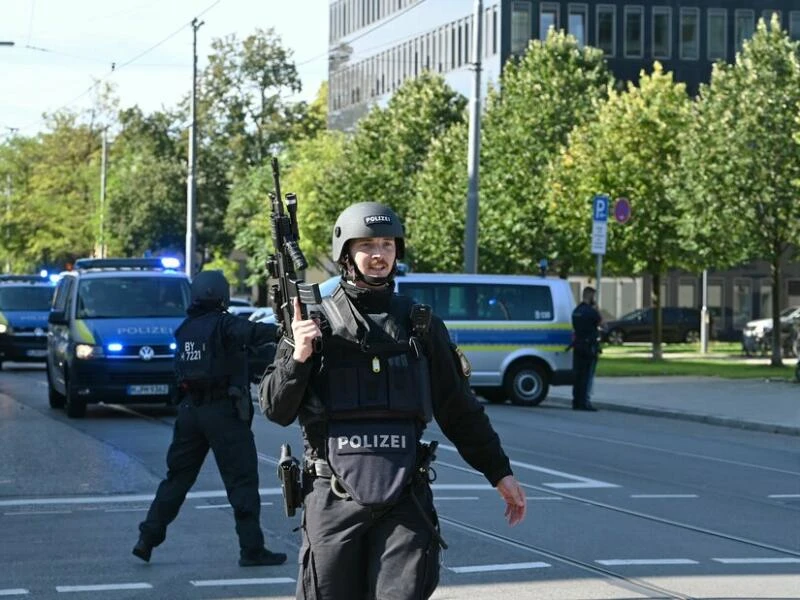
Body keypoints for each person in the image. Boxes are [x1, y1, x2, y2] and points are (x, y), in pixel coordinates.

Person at [259, 202, 527, 600]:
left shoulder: (421, 325)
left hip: (405, 497)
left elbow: (459, 409)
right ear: (346, 253)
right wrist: (299, 355)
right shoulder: (314, 321)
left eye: (387, 244)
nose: (379, 254)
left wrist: (499, 472)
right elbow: (275, 409)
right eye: (367, 245)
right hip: (333, 497)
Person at [132, 270, 287, 567]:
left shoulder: (185, 329)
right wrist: (284, 330)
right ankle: (252, 549)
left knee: (176, 480)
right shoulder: (224, 324)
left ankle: (147, 538)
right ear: (222, 295)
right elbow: (252, 333)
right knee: (241, 481)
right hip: (223, 413)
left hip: (190, 413)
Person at [571, 286, 602, 411]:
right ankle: (584, 402)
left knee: (578, 375)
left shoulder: (576, 310)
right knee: (587, 375)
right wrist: (597, 310)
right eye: (593, 296)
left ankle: (576, 401)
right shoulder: (591, 312)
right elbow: (602, 324)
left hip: (578, 346)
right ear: (590, 296)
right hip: (589, 347)